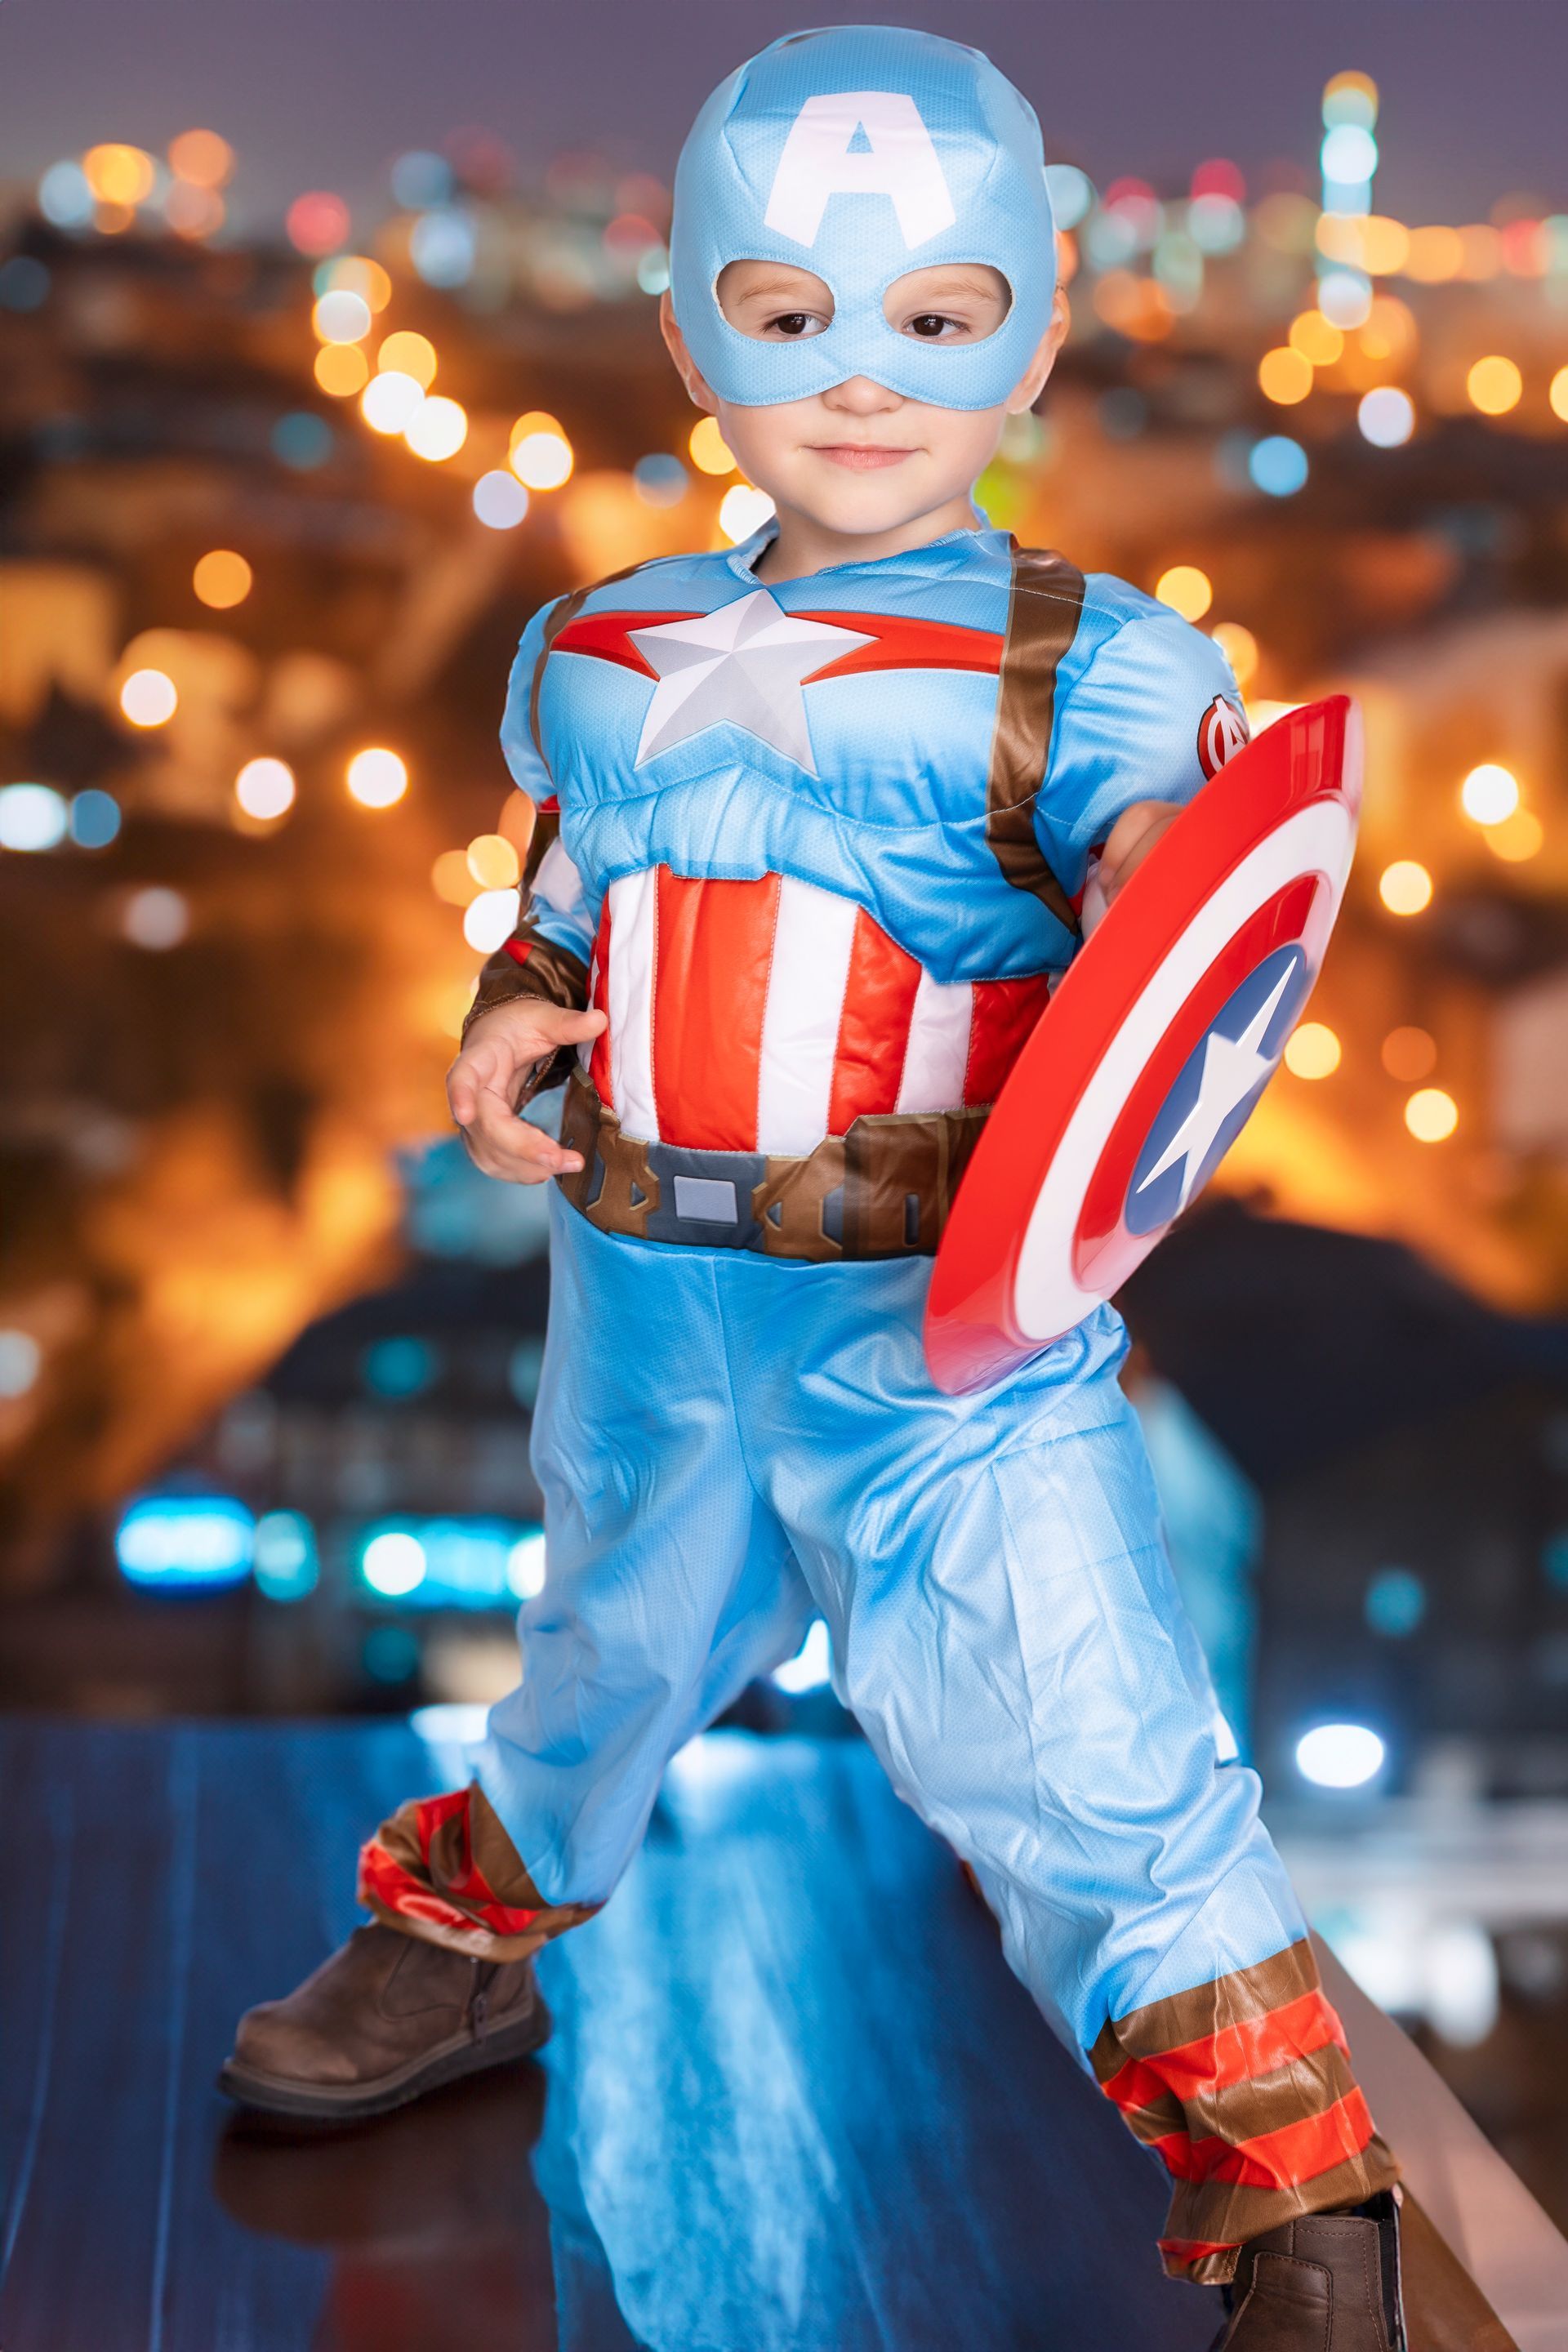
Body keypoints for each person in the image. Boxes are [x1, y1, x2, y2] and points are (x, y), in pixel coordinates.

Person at [223, 29, 1493, 2347]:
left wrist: (1134, 955)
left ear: (1030, 323)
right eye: (793, 312)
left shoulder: (1091, 674)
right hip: (647, 1290)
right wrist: (520, 993)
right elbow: (578, 884)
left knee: (1087, 1739)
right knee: (598, 1653)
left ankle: (1306, 2195)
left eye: (935, 313)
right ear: (701, 331)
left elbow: (1186, 956)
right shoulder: (596, 652)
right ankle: (464, 1952)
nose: (864, 378)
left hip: (942, 1339)